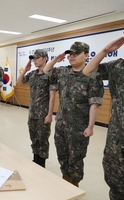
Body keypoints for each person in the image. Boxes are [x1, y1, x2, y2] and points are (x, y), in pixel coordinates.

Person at [43, 42, 104, 187]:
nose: (72, 56)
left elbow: (94, 104)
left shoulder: (93, 75)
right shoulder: (64, 71)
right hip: (62, 124)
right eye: (70, 54)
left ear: (86, 55)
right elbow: (46, 70)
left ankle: (74, 184)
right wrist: (55, 60)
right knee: (62, 154)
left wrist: (90, 126)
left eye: (76, 53)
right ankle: (65, 179)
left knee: (76, 158)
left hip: (79, 127)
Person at [82, 34, 124, 200]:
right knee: (115, 180)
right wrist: (105, 51)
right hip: (117, 136)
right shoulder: (118, 66)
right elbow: (87, 71)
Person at [16, 49, 57, 168]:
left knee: (43, 140)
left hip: (43, 114)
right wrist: (25, 70)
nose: (35, 60)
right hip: (32, 113)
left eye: (37, 58)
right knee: (34, 138)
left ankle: (41, 164)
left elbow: (52, 96)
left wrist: (50, 114)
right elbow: (19, 82)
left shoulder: (50, 75)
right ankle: (35, 160)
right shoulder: (32, 74)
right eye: (33, 58)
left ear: (45, 59)